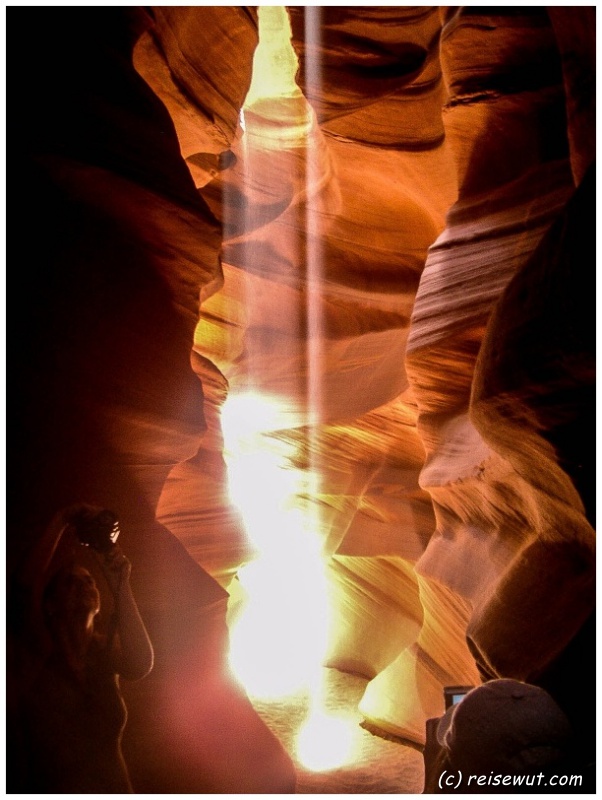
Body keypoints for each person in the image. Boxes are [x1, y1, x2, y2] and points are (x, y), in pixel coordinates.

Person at [8, 504, 154, 793]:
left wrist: (121, 584)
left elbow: (141, 664)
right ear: (50, 605)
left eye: (89, 581)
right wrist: (63, 518)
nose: (84, 586)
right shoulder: (37, 655)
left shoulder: (102, 656)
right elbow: (21, 590)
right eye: (70, 582)